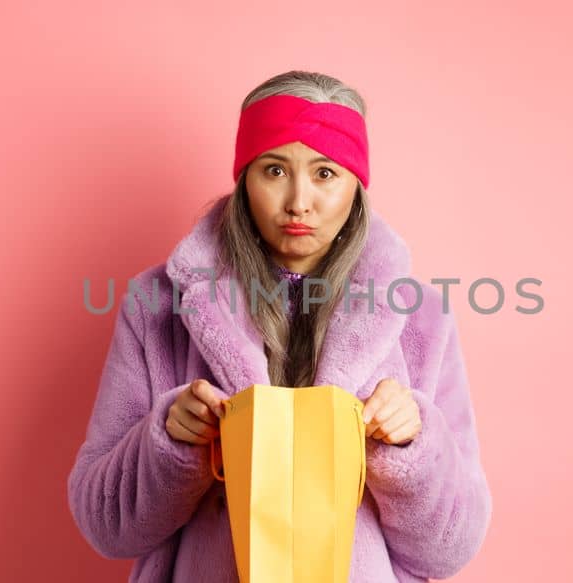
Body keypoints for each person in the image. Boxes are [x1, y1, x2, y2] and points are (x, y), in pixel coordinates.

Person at [67, 70, 491, 582]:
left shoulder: (420, 317)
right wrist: (170, 443)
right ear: (244, 176)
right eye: (273, 170)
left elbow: (452, 548)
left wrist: (412, 448)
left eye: (325, 173)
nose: (298, 202)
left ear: (356, 185)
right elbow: (104, 524)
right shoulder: (157, 306)